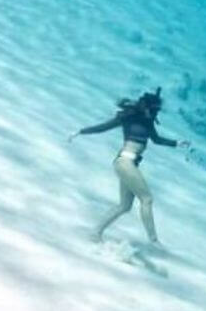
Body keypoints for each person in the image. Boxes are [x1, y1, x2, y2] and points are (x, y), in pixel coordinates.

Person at [68, 87, 190, 246]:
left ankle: (95, 233)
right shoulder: (128, 117)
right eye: (155, 110)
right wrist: (80, 132)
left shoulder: (148, 121)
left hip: (129, 164)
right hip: (125, 162)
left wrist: (177, 143)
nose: (156, 114)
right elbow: (102, 127)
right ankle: (154, 241)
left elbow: (157, 140)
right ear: (146, 107)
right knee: (147, 199)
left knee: (124, 206)